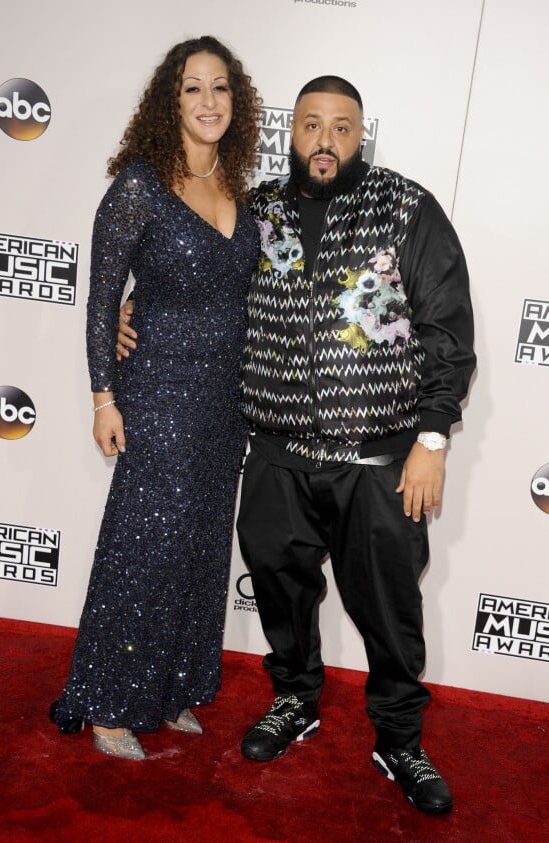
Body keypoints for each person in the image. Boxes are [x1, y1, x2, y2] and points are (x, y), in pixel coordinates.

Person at [118, 76, 475, 813]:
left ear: (360, 135)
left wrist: (432, 438)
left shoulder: (406, 208)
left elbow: (446, 330)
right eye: (311, 124)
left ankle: (400, 738)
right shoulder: (261, 212)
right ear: (292, 132)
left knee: (388, 609)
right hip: (277, 452)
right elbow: (202, 281)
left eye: (341, 127)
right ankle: (295, 700)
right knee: (281, 592)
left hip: (377, 460)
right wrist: (137, 304)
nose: (324, 140)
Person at [49, 36, 261, 761]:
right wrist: (104, 397)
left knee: (201, 548)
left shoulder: (238, 188)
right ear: (169, 102)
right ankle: (109, 699)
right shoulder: (140, 185)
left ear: (237, 101)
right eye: (192, 88)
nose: (208, 102)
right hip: (159, 391)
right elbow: (101, 299)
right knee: (145, 546)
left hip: (223, 404)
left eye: (221, 88)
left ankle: (171, 689)